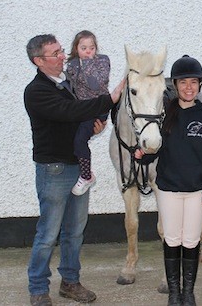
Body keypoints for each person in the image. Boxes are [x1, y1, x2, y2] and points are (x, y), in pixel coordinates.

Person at [24, 34, 124, 306]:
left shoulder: (66, 84)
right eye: (55, 53)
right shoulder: (37, 91)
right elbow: (69, 112)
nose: (63, 56)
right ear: (38, 61)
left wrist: (92, 129)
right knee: (48, 234)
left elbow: (74, 121)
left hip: (76, 168)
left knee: (75, 232)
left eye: (60, 51)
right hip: (54, 170)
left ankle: (70, 282)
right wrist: (110, 98)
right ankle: (38, 288)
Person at [155, 55, 202, 306]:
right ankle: (174, 292)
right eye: (183, 82)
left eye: (194, 82)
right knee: (172, 239)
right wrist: (140, 156)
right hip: (169, 189)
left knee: (192, 240)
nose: (188, 87)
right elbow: (154, 148)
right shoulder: (164, 115)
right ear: (175, 85)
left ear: (200, 85)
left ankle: (188, 292)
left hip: (197, 191)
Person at [66, 30, 110, 196]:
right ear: (76, 48)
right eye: (84, 48)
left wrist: (87, 64)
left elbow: (95, 84)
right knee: (77, 140)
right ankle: (84, 174)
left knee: (79, 141)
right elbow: (71, 89)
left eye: (91, 47)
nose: (88, 51)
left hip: (98, 108)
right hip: (82, 110)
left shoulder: (102, 61)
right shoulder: (72, 65)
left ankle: (86, 176)